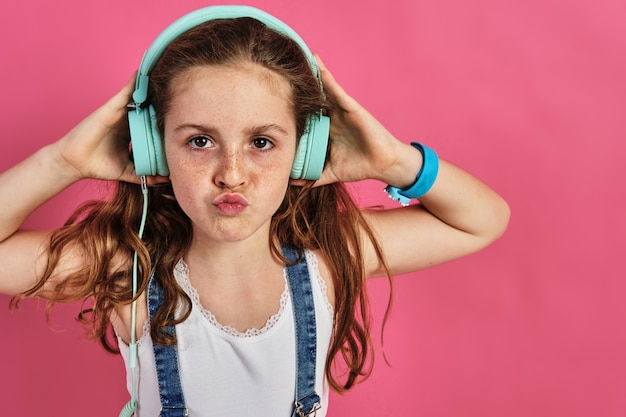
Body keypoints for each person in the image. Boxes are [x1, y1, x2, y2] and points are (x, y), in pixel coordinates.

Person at [0, 5, 510, 417]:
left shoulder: (329, 257)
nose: (231, 173)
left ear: (305, 152)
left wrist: (395, 160)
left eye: (262, 142)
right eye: (199, 141)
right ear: (153, 149)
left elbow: (483, 219)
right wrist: (62, 161)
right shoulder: (125, 264)